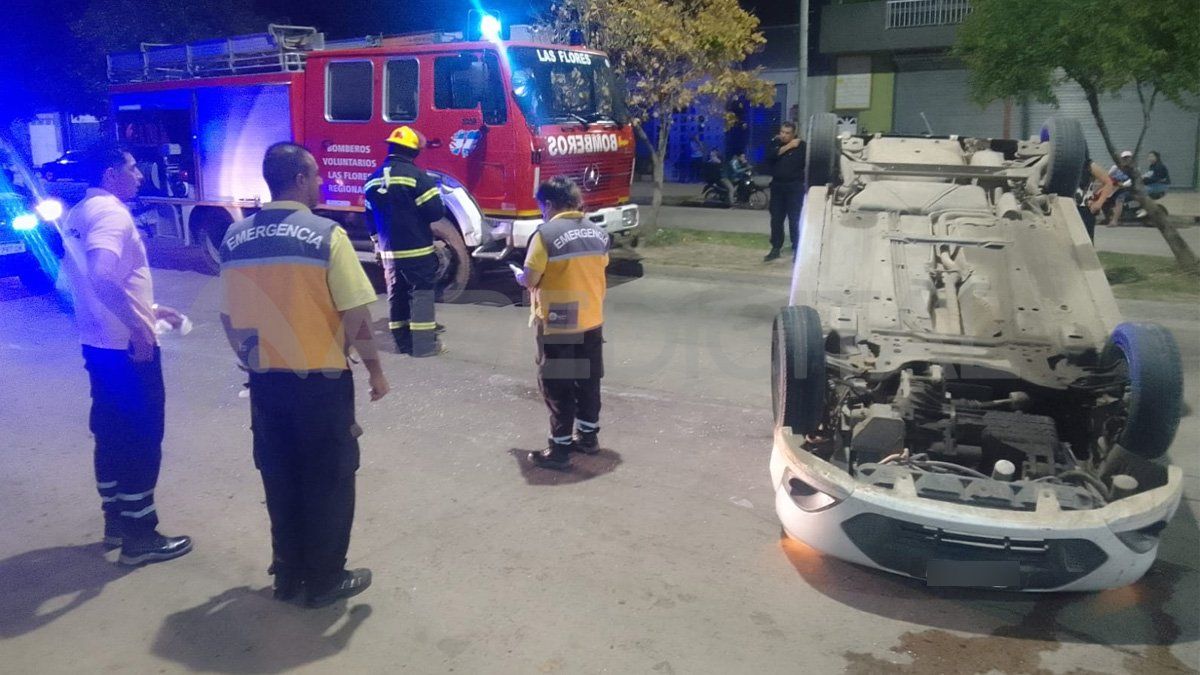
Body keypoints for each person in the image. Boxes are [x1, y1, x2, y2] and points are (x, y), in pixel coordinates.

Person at [219, 142, 390, 607]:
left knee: (280, 476)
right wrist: (375, 369)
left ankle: (288, 574)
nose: (320, 183)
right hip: (319, 383)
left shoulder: (235, 238)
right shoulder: (325, 235)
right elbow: (355, 314)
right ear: (298, 179)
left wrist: (251, 359)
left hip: (265, 384)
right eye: (315, 175)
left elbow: (228, 318)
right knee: (329, 481)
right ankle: (324, 580)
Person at [59, 144, 192, 566]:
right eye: (132, 167)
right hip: (127, 350)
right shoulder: (111, 214)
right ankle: (140, 536)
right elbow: (100, 276)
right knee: (141, 437)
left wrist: (148, 310)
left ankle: (116, 522)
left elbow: (82, 282)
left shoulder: (79, 213)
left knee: (112, 433)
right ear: (111, 172)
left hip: (99, 345)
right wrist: (138, 327)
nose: (138, 174)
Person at [516, 177, 609, 469]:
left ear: (550, 204)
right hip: (592, 317)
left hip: (561, 317)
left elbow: (531, 279)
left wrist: (520, 278)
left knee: (558, 385)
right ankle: (588, 438)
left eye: (541, 206)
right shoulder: (598, 232)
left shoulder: (546, 234)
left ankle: (559, 450)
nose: (542, 211)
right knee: (587, 381)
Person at [364, 126, 447, 357]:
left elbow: (370, 219)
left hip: (389, 253)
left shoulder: (371, 181)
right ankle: (423, 346)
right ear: (413, 152)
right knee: (421, 294)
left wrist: (377, 245)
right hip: (417, 251)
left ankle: (402, 344)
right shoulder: (418, 178)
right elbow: (435, 212)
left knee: (396, 296)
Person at [765, 122, 806, 261]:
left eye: (787, 133)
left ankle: (796, 248)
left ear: (794, 133)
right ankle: (776, 248)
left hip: (794, 187)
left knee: (794, 220)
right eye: (782, 132)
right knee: (776, 219)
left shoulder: (802, 146)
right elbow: (770, 156)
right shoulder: (774, 143)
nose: (783, 135)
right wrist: (789, 146)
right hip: (777, 186)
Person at [1105, 150, 1136, 223]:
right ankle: (1108, 218)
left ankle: (1114, 221)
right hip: (1114, 188)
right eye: (1124, 158)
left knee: (1119, 199)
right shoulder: (1115, 167)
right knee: (1104, 199)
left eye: (1128, 158)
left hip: (1127, 190)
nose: (1126, 160)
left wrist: (1123, 185)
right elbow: (1107, 176)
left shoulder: (1134, 169)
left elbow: (1132, 181)